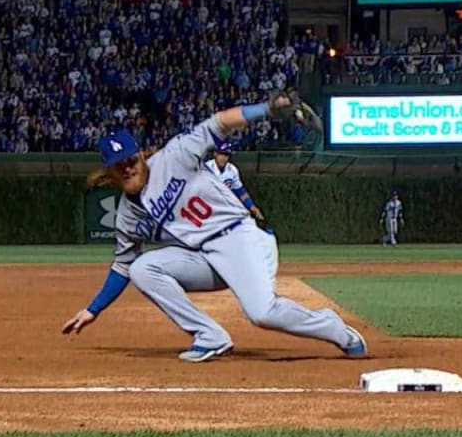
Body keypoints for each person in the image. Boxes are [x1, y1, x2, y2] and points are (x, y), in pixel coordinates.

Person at [61, 95, 367, 362]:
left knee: (262, 313)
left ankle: (337, 330)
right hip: (205, 257)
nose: (127, 167)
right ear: (110, 171)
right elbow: (122, 266)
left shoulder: (175, 156)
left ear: (140, 155)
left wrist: (266, 109)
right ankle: (210, 336)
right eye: (118, 164)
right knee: (142, 268)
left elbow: (218, 122)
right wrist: (93, 309)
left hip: (240, 238)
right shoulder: (127, 216)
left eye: (130, 159)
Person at [202, 142, 279, 289]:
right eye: (222, 154)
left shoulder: (232, 170)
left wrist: (252, 207)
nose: (224, 158)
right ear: (215, 154)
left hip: (225, 209)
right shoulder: (206, 168)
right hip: (208, 208)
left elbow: (240, 191)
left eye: (227, 155)